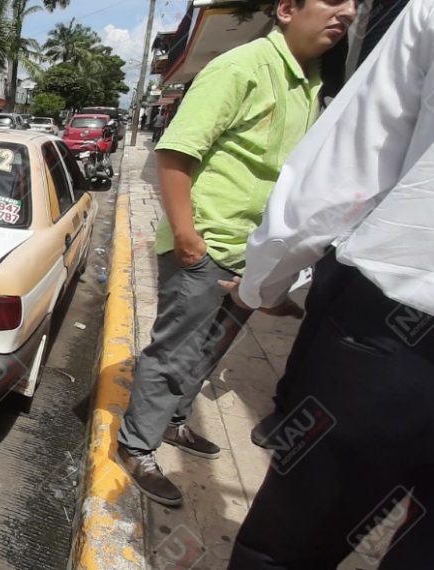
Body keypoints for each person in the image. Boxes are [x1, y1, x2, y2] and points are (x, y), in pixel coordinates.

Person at [114, 0, 356, 507]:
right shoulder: (240, 68)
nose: (349, 11)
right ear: (287, 9)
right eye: (333, 0)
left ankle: (175, 422)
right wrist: (188, 240)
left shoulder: (310, 81)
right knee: (174, 349)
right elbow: (176, 152)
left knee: (210, 350)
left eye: (353, 2)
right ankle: (136, 446)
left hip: (252, 253)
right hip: (205, 246)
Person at [218, 0, 433, 566]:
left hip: (393, 327)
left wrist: (262, 285)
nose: (347, 12)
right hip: (397, 318)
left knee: (289, 545)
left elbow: (339, 177)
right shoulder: (240, 66)